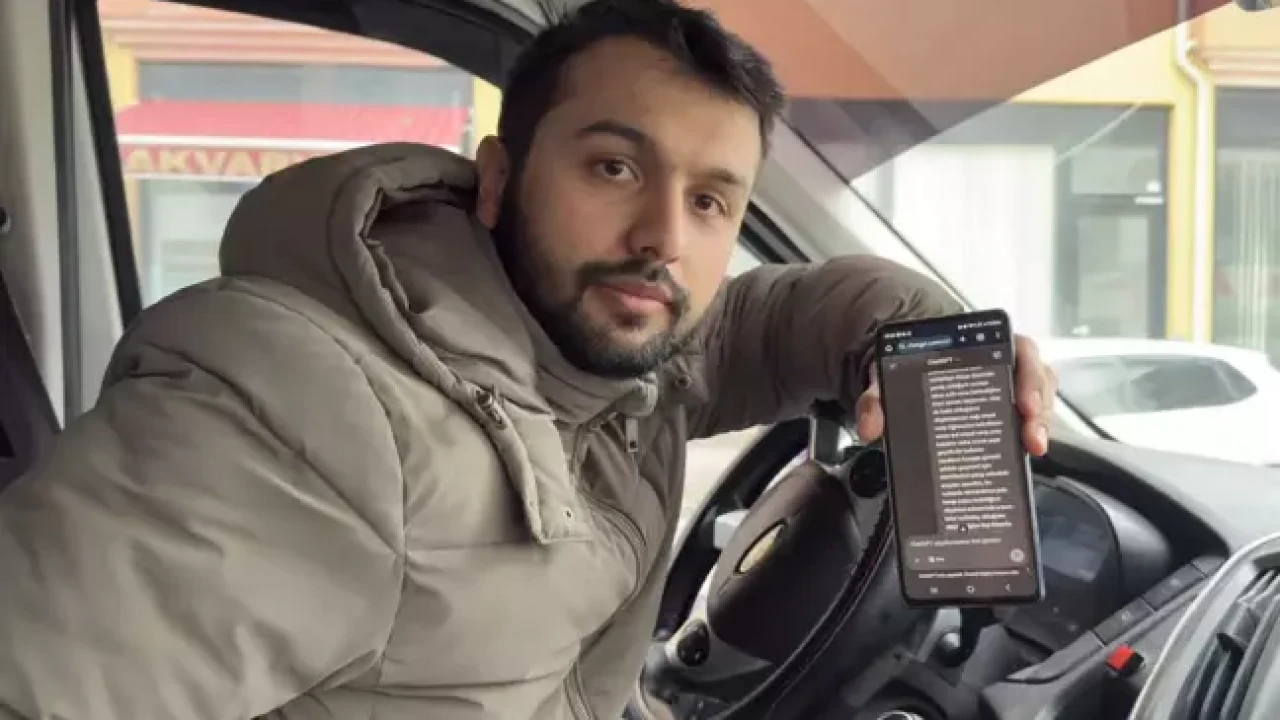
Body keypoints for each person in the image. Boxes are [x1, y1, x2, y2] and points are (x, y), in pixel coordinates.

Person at [0, 0, 1056, 718]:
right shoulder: (301, 411)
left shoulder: (613, 358)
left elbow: (772, 320)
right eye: (613, 167)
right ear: (500, 180)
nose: (661, 237)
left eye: (708, 201)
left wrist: (925, 344)